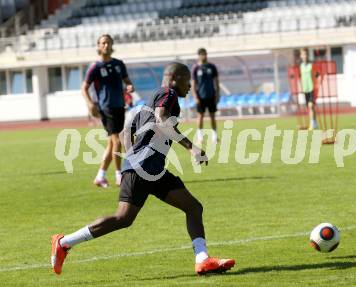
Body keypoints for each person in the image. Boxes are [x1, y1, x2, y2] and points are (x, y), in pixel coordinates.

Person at [51, 62, 235, 276]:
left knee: (193, 207)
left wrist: (132, 156)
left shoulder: (149, 103)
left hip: (151, 169)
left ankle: (203, 260)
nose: (190, 85)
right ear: (175, 78)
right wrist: (191, 147)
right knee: (123, 218)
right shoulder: (168, 93)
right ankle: (63, 243)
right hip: (144, 167)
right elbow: (162, 120)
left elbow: (126, 133)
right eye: (187, 80)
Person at [82, 34, 135, 188]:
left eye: (108, 43)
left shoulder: (119, 64)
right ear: (98, 46)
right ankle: (120, 176)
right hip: (106, 108)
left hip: (119, 106)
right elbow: (84, 88)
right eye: (103, 43)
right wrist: (90, 104)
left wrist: (130, 86)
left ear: (112, 45)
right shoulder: (95, 67)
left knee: (112, 145)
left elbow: (127, 81)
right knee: (118, 140)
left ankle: (100, 176)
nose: (106, 45)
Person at [191, 48, 220, 144]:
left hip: (211, 95)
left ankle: (215, 137)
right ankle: (200, 138)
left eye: (204, 54)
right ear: (198, 55)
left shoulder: (212, 67)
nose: (203, 56)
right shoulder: (196, 68)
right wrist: (195, 96)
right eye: (201, 54)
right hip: (201, 96)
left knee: (212, 116)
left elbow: (216, 81)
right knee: (200, 116)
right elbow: (194, 84)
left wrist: (217, 94)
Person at [299, 48, 318, 130]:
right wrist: (301, 87)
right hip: (305, 89)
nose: (305, 56)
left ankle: (312, 124)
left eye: (306, 54)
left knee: (311, 106)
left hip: (312, 88)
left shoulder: (312, 65)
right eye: (303, 54)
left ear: (308, 55)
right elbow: (301, 77)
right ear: (301, 56)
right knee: (310, 107)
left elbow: (317, 74)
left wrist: (317, 82)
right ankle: (315, 123)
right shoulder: (301, 66)